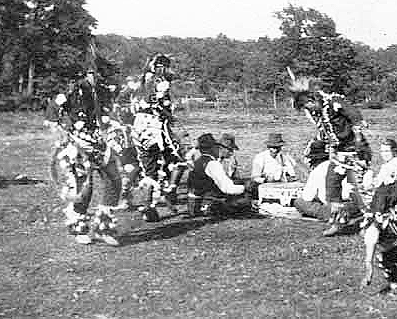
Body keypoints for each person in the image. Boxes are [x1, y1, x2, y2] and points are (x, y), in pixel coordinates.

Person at [288, 70, 372, 236]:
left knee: (358, 189)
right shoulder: (319, 112)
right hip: (338, 154)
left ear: (312, 99)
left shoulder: (334, 101)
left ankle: (369, 224)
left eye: (308, 105)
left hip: (355, 151)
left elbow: (354, 116)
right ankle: (338, 222)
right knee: (332, 188)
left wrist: (358, 138)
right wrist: (332, 150)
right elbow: (328, 135)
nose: (309, 109)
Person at [45, 68, 122, 246]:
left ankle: (104, 226)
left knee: (114, 180)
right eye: (91, 74)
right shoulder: (71, 91)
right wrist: (61, 133)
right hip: (77, 144)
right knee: (84, 187)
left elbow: (110, 110)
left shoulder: (101, 90)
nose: (95, 77)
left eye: (97, 74)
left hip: (99, 142)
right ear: (83, 76)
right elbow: (52, 113)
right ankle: (79, 226)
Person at [130, 53, 187, 222]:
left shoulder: (140, 82)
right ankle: (170, 190)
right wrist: (170, 116)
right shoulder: (158, 82)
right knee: (179, 157)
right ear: (159, 67)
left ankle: (148, 207)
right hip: (153, 127)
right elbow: (157, 105)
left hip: (139, 128)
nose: (167, 70)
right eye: (165, 67)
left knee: (150, 169)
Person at [186, 133, 253, 217]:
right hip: (204, 204)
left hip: (195, 201)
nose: (231, 153)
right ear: (220, 148)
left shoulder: (201, 160)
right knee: (245, 202)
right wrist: (246, 187)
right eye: (230, 150)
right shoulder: (212, 164)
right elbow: (228, 189)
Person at [294, 140, 359, 222]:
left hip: (334, 204)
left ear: (314, 160)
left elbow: (307, 197)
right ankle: (348, 212)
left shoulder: (318, 170)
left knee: (299, 202)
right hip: (353, 202)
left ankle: (330, 214)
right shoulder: (343, 164)